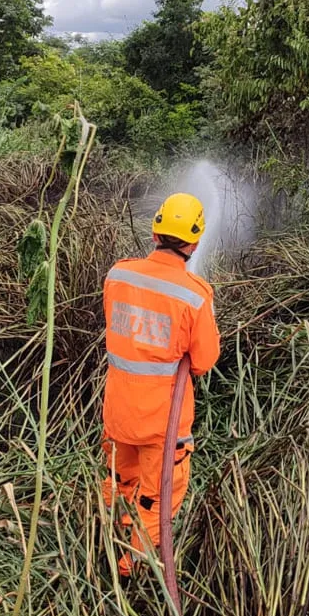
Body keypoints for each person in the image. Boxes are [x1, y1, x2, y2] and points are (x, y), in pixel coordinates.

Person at [100, 192, 221, 578]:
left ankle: (102, 543)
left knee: (119, 480)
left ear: (154, 233)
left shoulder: (117, 275)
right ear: (195, 242)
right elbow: (203, 362)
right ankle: (128, 571)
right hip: (161, 426)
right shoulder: (195, 296)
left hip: (117, 412)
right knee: (157, 499)